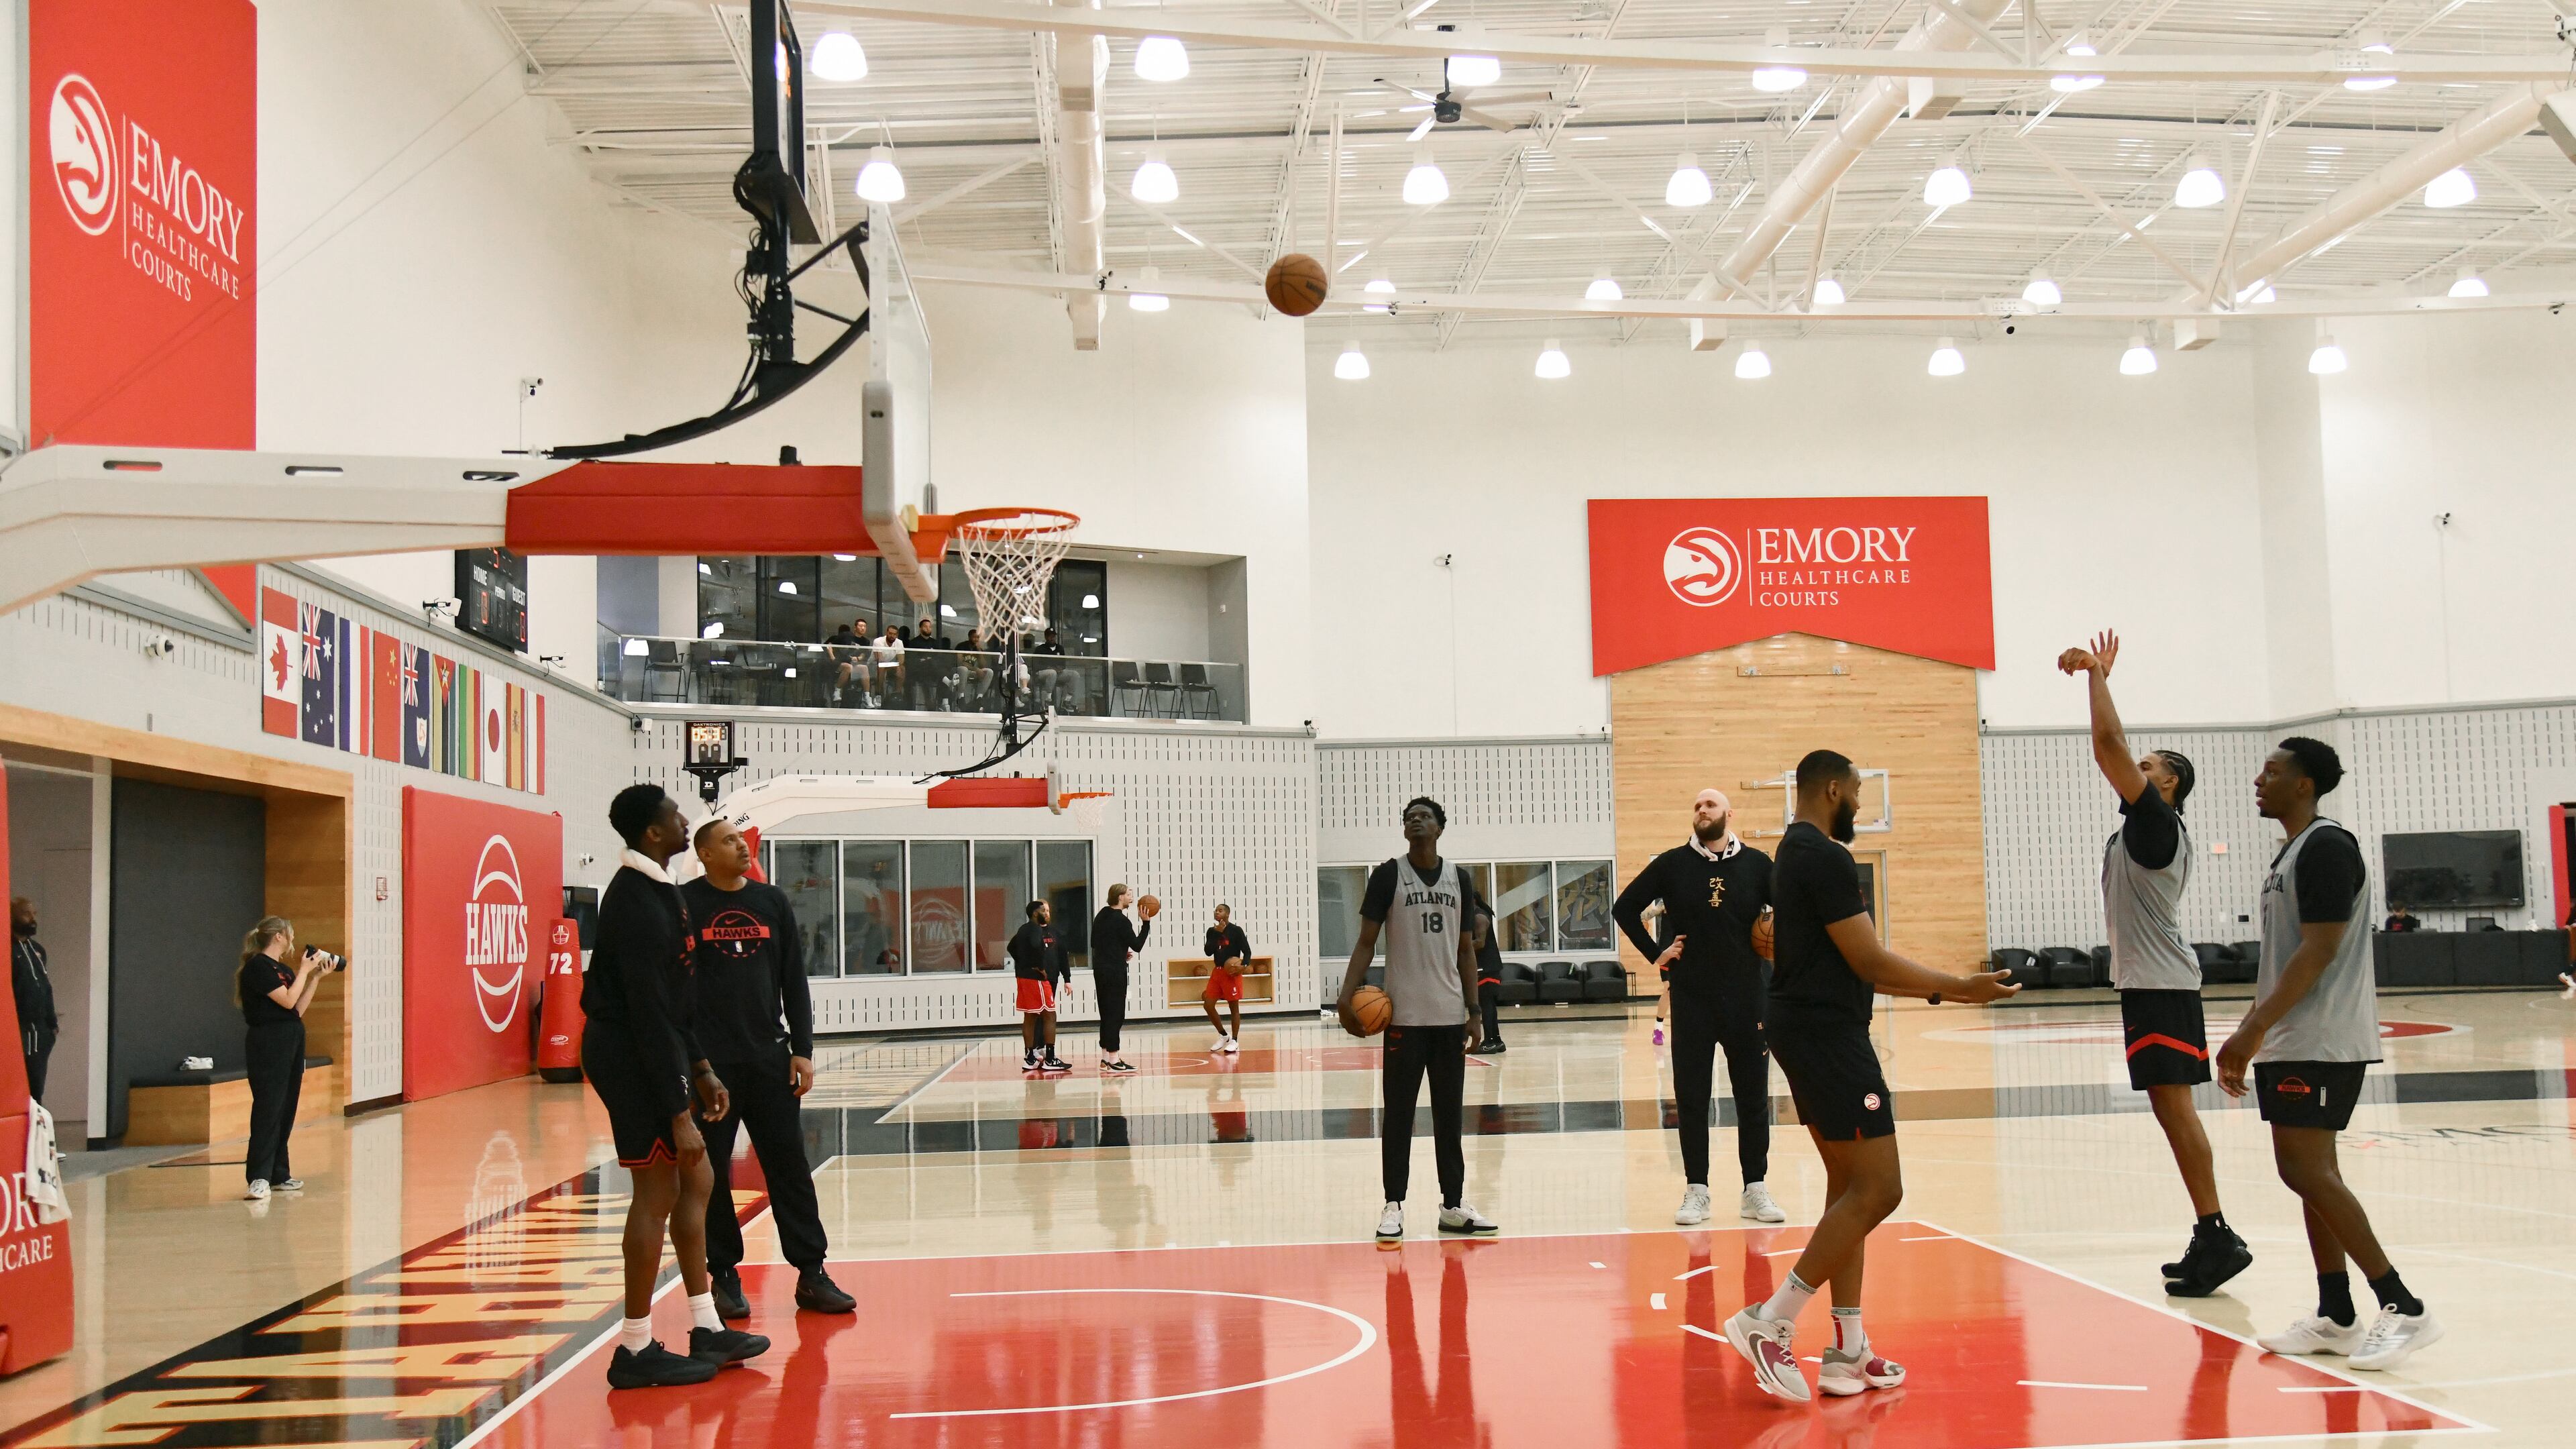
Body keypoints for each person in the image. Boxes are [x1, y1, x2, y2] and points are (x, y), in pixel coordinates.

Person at [1721, 751, 2018, 1403]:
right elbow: (1870, 959)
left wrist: (1939, 992)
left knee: (1848, 1190)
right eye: (1856, 791)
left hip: (1805, 1030)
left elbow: (1855, 966)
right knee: (1882, 1188)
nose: (1859, 801)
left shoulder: (1790, 854)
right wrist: (1962, 987)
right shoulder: (1823, 857)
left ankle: (1847, 1352)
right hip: (1828, 1038)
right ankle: (1770, 1319)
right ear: (1834, 789)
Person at [2222, 737, 2441, 1371]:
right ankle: (2337, 1314)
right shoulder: (2292, 850)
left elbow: (2320, 948)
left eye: (2271, 772)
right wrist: (2259, 1028)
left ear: (2304, 785)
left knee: (2306, 1171)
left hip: (2320, 1036)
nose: (2258, 780)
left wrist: (2253, 1028)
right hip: (2296, 1037)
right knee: (2308, 1173)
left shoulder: (2326, 847)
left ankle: (2404, 1305)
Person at [2059, 630, 2247, 1297]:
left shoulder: (2157, 824)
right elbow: (2115, 750)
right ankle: (2211, 1230)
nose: (2136, 768)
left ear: (2169, 784)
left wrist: (2095, 677)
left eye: (2149, 765)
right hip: (2156, 984)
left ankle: (2217, 1234)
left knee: (2177, 1111)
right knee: (2173, 1112)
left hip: (2162, 985)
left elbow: (2107, 745)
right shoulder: (2142, 828)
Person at [584, 783, 768, 1389]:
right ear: (652, 832)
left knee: (700, 1180)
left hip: (660, 1049)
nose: (685, 819)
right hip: (629, 1057)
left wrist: (704, 1068)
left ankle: (706, 1326)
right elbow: (648, 1013)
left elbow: (677, 1002)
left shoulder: (664, 889)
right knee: (657, 1191)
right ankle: (634, 1348)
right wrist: (677, 1110)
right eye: (674, 815)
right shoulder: (633, 900)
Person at [680, 818, 855, 1319]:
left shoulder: (772, 900)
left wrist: (803, 1048)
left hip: (769, 1059)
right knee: (712, 1174)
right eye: (729, 840)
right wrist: (692, 1063)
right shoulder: (685, 904)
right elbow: (677, 989)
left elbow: (793, 978)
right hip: (711, 1066)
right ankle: (724, 1275)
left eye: (742, 839)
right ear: (705, 854)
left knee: (790, 1168)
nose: (742, 846)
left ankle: (812, 1273)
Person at [1613, 788, 1783, 1227]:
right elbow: (1624, 908)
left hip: (1748, 998)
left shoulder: (1758, 864)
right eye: (1697, 806)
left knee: (1753, 1098)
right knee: (1691, 1098)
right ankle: (1697, 1190)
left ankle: (1755, 1188)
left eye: (1710, 805)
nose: (1702, 810)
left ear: (1729, 813)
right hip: (1692, 999)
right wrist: (1656, 954)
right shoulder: (1672, 864)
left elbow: (1791, 913)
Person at [1335, 796, 1497, 1242]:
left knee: (1449, 1117)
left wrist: (1474, 1011)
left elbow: (1466, 950)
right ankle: (1393, 1204)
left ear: (1440, 827)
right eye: (1409, 818)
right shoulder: (1388, 876)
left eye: (1424, 816)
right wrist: (1346, 995)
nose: (1415, 821)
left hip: (1449, 1016)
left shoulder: (1459, 878)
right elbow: (1366, 942)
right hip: (1403, 1017)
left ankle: (1453, 1205)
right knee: (1399, 1117)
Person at [235, 916, 337, 1201]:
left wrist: (314, 978)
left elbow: (296, 1009)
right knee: (268, 1107)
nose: (293, 940)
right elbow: (287, 1000)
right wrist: (305, 969)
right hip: (268, 1042)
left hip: (291, 1039)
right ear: (278, 936)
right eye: (289, 934)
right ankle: (259, 1177)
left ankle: (279, 1173)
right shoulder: (258, 967)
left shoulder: (284, 970)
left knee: (286, 1107)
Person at [1090, 885, 1151, 1074]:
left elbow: (1095, 943)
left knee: (1106, 1013)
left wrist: (1118, 952)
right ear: (1120, 897)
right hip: (1115, 972)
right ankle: (1114, 1060)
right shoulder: (1122, 921)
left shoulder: (1101, 915)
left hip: (1101, 970)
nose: (1132, 897)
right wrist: (1146, 924)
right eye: (1129, 894)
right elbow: (1137, 945)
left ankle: (1105, 1059)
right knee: (1116, 1014)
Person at [1010, 900, 1071, 1073]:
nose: (1046, 913)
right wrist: (1040, 967)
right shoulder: (1036, 929)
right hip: (1037, 980)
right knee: (1050, 1015)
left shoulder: (1023, 929)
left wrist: (1023, 963)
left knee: (1030, 1016)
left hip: (1023, 977)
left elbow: (1011, 947)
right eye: (1043, 910)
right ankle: (1050, 1059)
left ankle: (1030, 1058)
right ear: (1036, 913)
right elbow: (1036, 946)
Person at [11, 897, 58, 1104]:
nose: (32, 919)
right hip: (20, 1028)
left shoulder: (38, 950)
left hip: (42, 1030)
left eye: (34, 914)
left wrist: (52, 1025)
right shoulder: (7, 950)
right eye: (26, 914)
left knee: (37, 1085)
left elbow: (46, 987)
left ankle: (37, 1120)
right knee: (22, 1085)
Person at [1203, 904, 1251, 1053]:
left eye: (1221, 910)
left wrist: (1244, 966)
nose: (1217, 912)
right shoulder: (1212, 931)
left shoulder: (1236, 931)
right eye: (1216, 910)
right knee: (1208, 1005)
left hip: (1231, 973)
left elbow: (1247, 951)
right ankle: (1224, 1035)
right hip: (1217, 972)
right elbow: (1208, 952)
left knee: (1233, 1007)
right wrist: (1217, 934)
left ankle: (1235, 1041)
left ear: (1228, 914)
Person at [1468, 901, 1505, 1054]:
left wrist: (1460, 947)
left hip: (1487, 967)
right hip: (1489, 967)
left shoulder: (1480, 917)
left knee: (1486, 1004)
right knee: (1488, 1004)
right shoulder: (1476, 915)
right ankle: (1496, 1040)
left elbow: (1480, 943)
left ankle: (1490, 1041)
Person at [824, 619, 863, 705]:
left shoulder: (850, 642)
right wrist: (833, 657)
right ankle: (837, 692)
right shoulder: (835, 639)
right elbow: (828, 647)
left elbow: (857, 653)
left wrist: (856, 657)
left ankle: (857, 698)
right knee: (848, 668)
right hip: (832, 665)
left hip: (845, 666)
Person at [867, 623, 906, 707]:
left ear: (897, 635)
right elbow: (880, 660)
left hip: (888, 665)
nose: (892, 636)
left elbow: (901, 660)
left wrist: (897, 666)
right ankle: (878, 695)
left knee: (902, 668)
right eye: (890, 634)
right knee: (881, 668)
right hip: (873, 665)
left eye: (894, 634)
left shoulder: (899, 643)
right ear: (886, 633)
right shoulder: (878, 641)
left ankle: (897, 695)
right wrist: (895, 665)